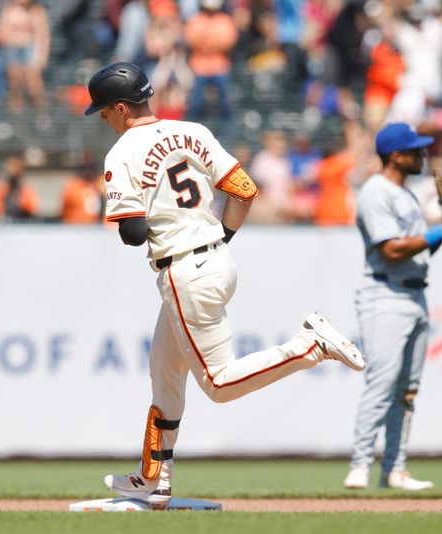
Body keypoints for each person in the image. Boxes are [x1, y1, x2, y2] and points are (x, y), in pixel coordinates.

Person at [84, 61, 365, 509]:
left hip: (183, 270)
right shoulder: (192, 131)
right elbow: (244, 189)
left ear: (121, 107)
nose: (102, 117)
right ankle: (154, 478)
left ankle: (308, 347)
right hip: (217, 257)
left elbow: (132, 233)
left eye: (104, 110)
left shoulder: (121, 153)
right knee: (165, 371)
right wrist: (219, 240)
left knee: (218, 384)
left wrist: (136, 214)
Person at [343, 123, 442, 491]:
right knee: (381, 383)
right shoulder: (375, 192)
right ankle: (359, 466)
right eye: (415, 150)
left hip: (414, 292)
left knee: (407, 390)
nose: (422, 155)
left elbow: (420, 248)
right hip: (385, 293)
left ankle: (394, 469)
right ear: (396, 155)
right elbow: (391, 249)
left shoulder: (407, 195)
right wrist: (440, 229)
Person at [0, 156, 40, 222]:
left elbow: (32, 208)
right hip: (3, 223)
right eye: (11, 171)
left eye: (17, 172)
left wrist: (19, 200)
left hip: (23, 221)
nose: (14, 174)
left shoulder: (26, 188)